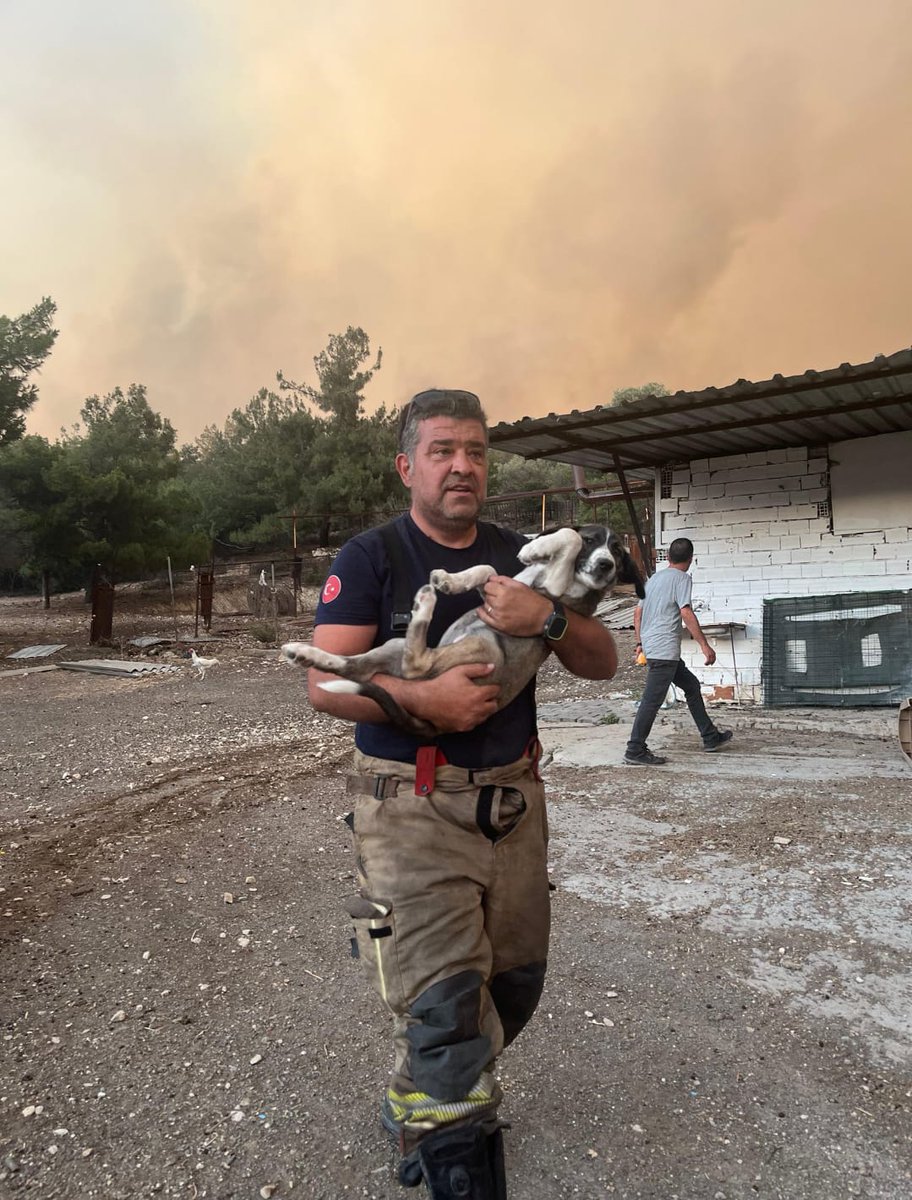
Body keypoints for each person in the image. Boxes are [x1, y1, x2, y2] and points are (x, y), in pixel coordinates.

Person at [307, 388, 619, 1198]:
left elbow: (601, 661)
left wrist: (545, 616)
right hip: (411, 809)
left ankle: (418, 1096)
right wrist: (422, 702)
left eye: (476, 452)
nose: (462, 466)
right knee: (446, 1011)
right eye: (442, 450)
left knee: (511, 989)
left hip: (513, 810)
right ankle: (451, 1134)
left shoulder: (524, 554)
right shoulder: (372, 557)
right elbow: (322, 684)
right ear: (407, 466)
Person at [624, 536, 733, 766]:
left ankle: (710, 736)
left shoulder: (653, 579)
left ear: (668, 557)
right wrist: (704, 645)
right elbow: (685, 612)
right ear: (690, 559)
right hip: (664, 651)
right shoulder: (682, 579)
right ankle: (635, 749)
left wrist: (640, 643)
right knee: (651, 701)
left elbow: (637, 613)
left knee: (691, 686)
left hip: (656, 648)